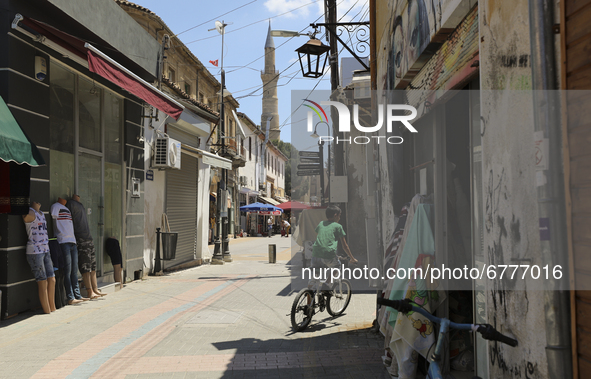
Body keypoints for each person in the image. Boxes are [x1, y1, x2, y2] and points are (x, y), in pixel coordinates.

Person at [66, 194, 105, 299]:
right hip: (81, 239)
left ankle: (95, 289)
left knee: (92, 266)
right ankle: (89, 291)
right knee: (85, 267)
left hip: (88, 238)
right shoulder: (71, 204)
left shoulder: (80, 205)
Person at [50, 197, 87, 305]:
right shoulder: (55, 207)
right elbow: (53, 222)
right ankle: (70, 297)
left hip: (72, 241)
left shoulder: (67, 209)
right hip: (63, 241)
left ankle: (77, 295)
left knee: (74, 271)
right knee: (68, 271)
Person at [22, 201, 56, 313]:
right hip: (35, 251)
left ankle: (53, 307)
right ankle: (47, 310)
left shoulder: (41, 213)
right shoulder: (29, 213)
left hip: (46, 249)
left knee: (52, 279)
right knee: (42, 281)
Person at [311, 205, 358, 282]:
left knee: (315, 276)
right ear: (335, 215)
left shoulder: (321, 224)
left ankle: (309, 290)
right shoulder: (338, 226)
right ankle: (327, 285)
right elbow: (345, 246)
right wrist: (352, 259)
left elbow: (320, 237)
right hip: (328, 255)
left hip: (315, 254)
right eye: (339, 215)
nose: (339, 218)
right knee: (337, 266)